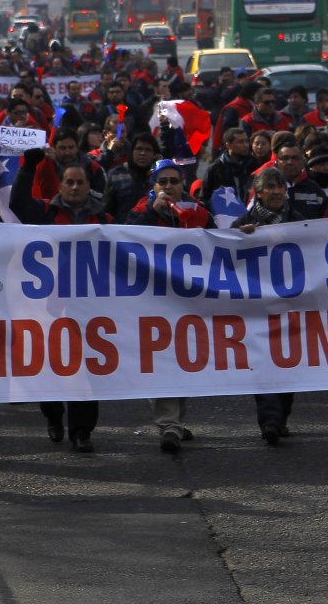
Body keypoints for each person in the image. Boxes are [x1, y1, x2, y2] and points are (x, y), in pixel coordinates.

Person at [10, 153, 112, 451]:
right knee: (51, 366)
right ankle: (53, 415)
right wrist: (28, 168)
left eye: (80, 182)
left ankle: (81, 432)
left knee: (86, 372)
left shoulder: (103, 218)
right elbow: (17, 204)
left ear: (88, 185)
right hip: (48, 308)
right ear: (61, 185)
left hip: (88, 308)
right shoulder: (46, 213)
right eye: (69, 182)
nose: (75, 187)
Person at [126, 160, 212, 453]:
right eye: (162, 181)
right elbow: (124, 238)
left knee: (185, 361)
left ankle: (174, 421)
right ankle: (169, 425)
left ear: (183, 183)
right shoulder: (141, 212)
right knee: (161, 361)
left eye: (174, 181)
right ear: (154, 185)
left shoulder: (197, 213)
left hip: (189, 304)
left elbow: (220, 243)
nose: (168, 186)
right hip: (153, 303)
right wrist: (153, 213)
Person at [232, 167, 306, 445]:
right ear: (258, 192)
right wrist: (241, 237)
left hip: (290, 305)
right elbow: (227, 256)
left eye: (281, 187)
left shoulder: (299, 222)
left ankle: (280, 418)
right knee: (264, 364)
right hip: (257, 309)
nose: (276, 192)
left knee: (288, 363)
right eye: (271, 187)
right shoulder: (243, 223)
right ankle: (271, 422)